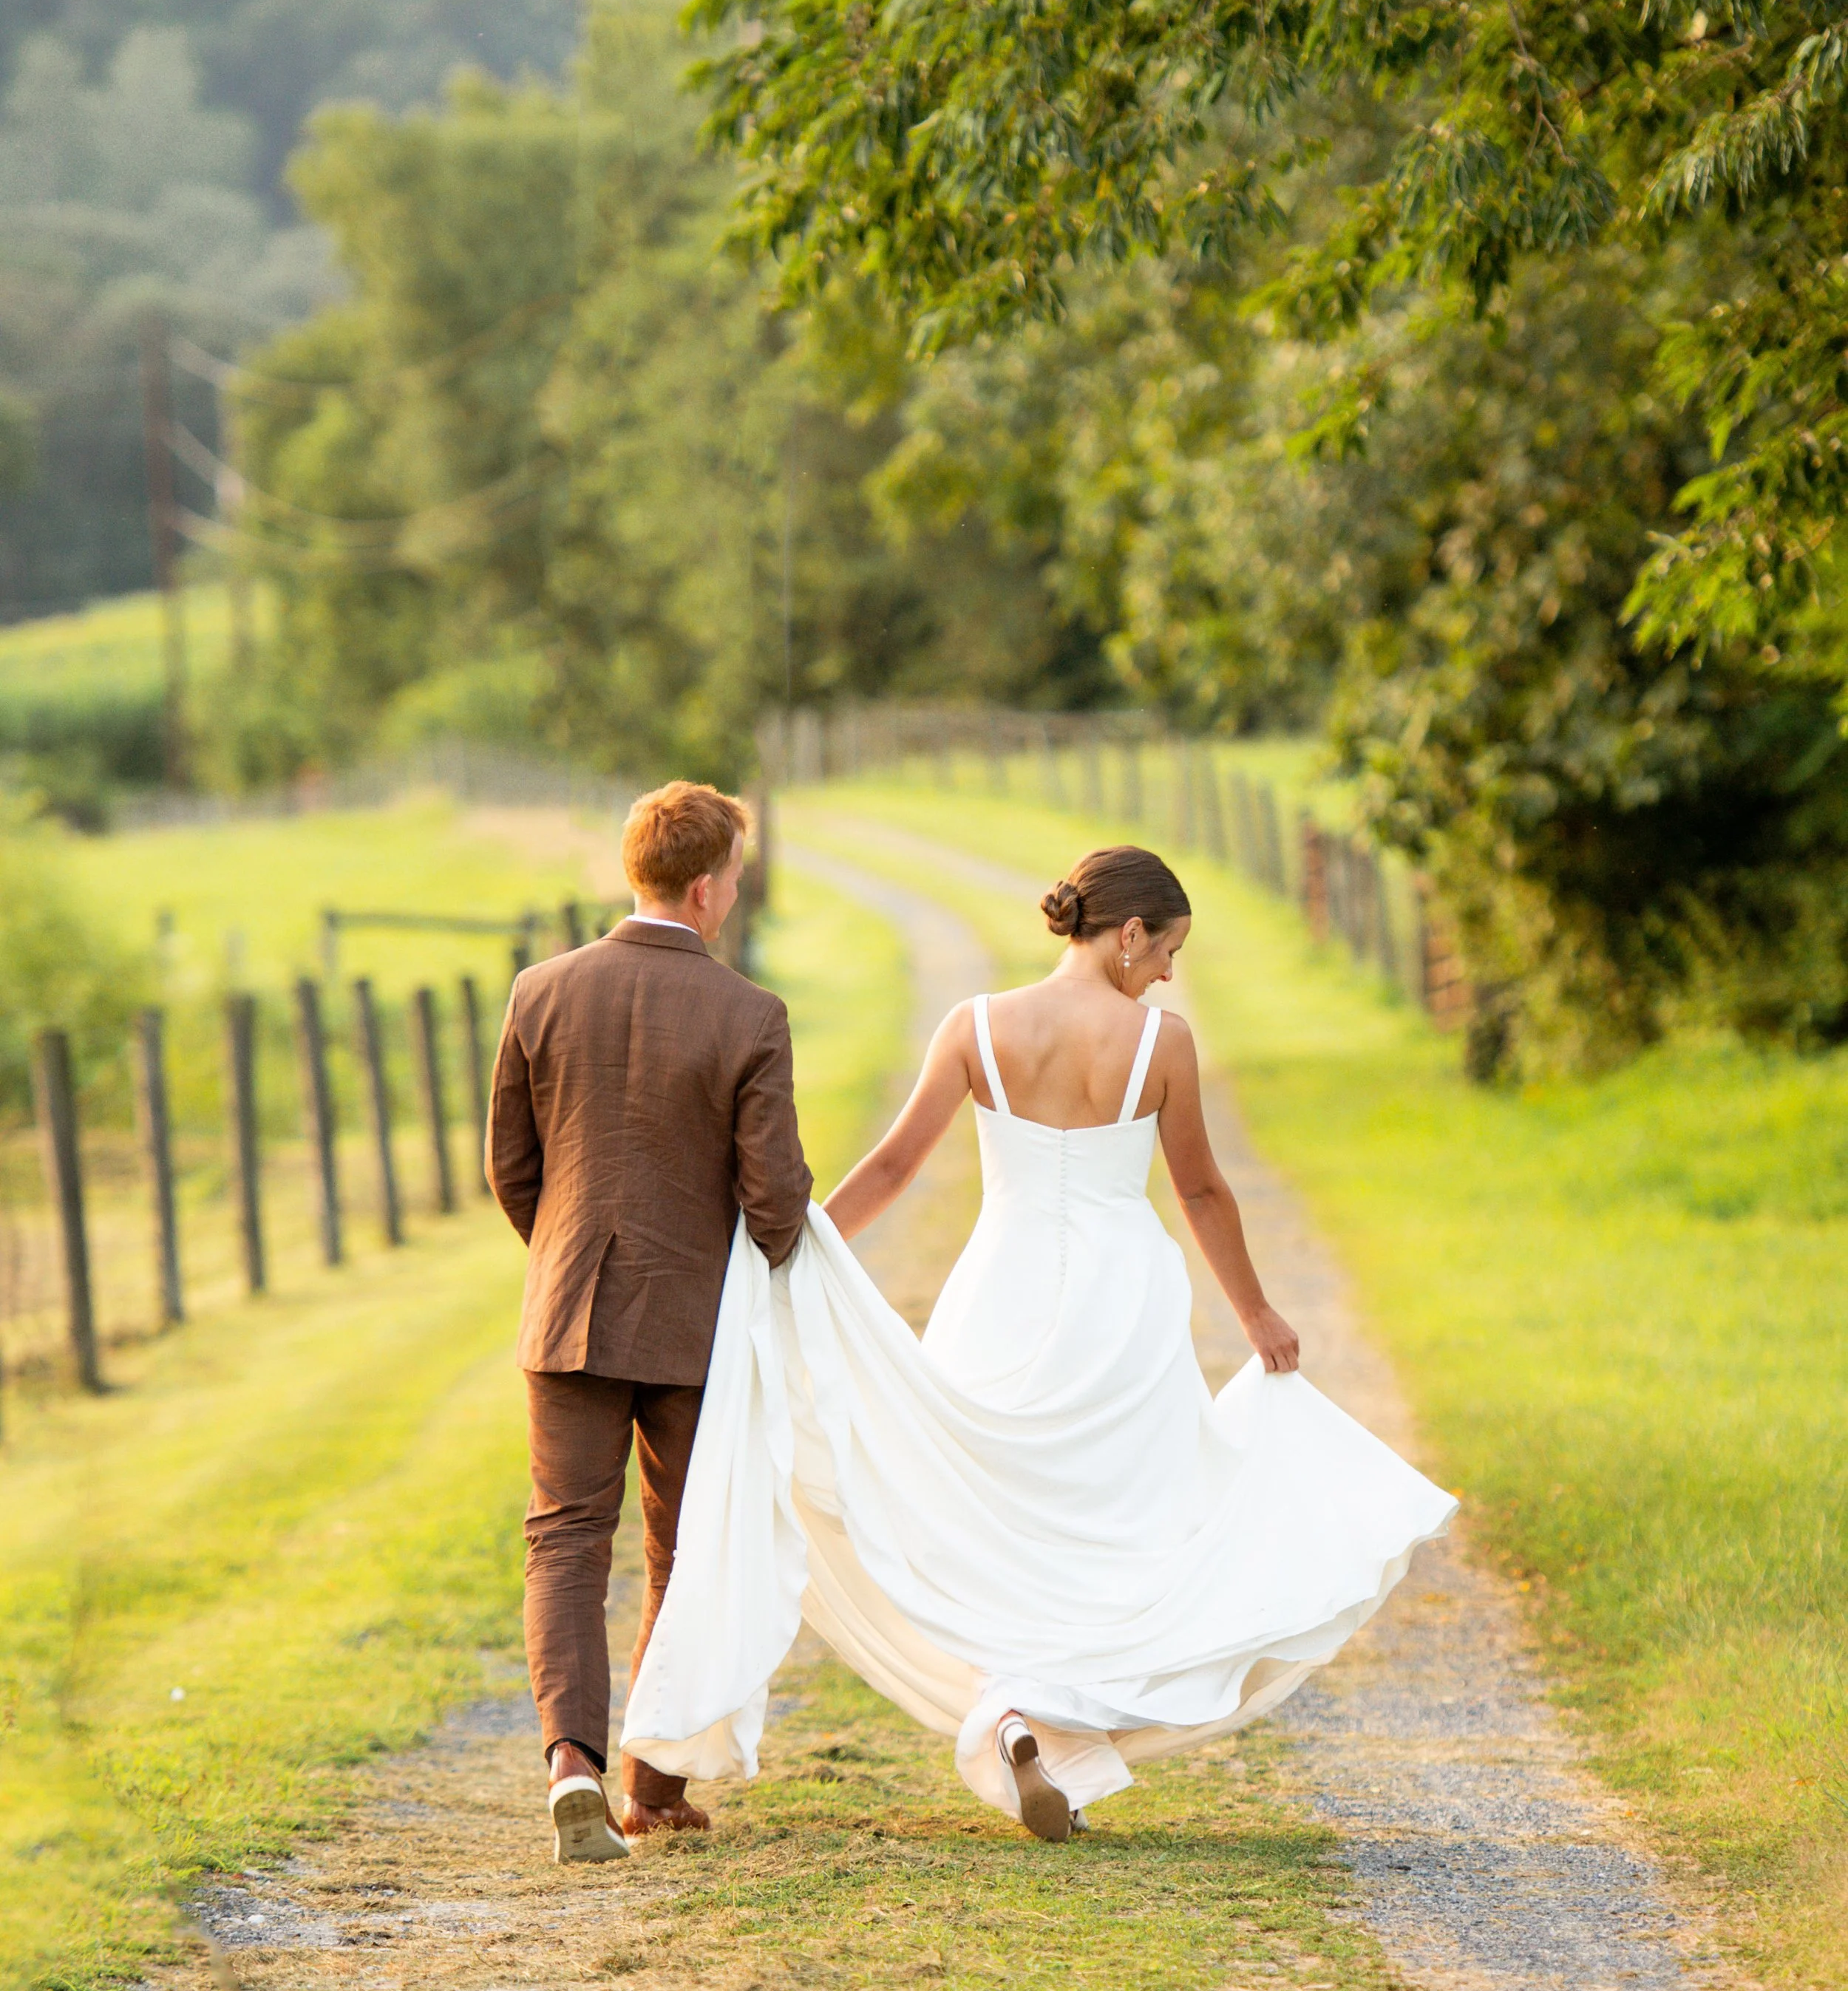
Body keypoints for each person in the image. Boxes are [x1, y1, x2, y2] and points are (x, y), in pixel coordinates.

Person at [619, 843, 1457, 1844]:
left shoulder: (976, 1025)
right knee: (1112, 1529)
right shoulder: (1162, 1044)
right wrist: (1257, 1315)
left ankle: (1015, 1714)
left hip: (1000, 1291)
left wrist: (795, 1252)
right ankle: (1039, 1723)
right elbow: (1200, 1190)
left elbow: (894, 1166)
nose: (1168, 975)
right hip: (1123, 1303)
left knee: (998, 1522)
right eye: (1167, 951)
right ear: (1129, 933)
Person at [487, 780, 812, 1862]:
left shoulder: (539, 990)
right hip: (694, 1326)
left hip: (565, 1311)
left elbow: (512, 1170)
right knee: (683, 1546)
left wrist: (568, 1257)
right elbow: (776, 1205)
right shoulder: (751, 1016)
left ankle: (569, 1766)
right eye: (736, 879)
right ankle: (650, 1791)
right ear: (709, 889)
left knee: (564, 1538)